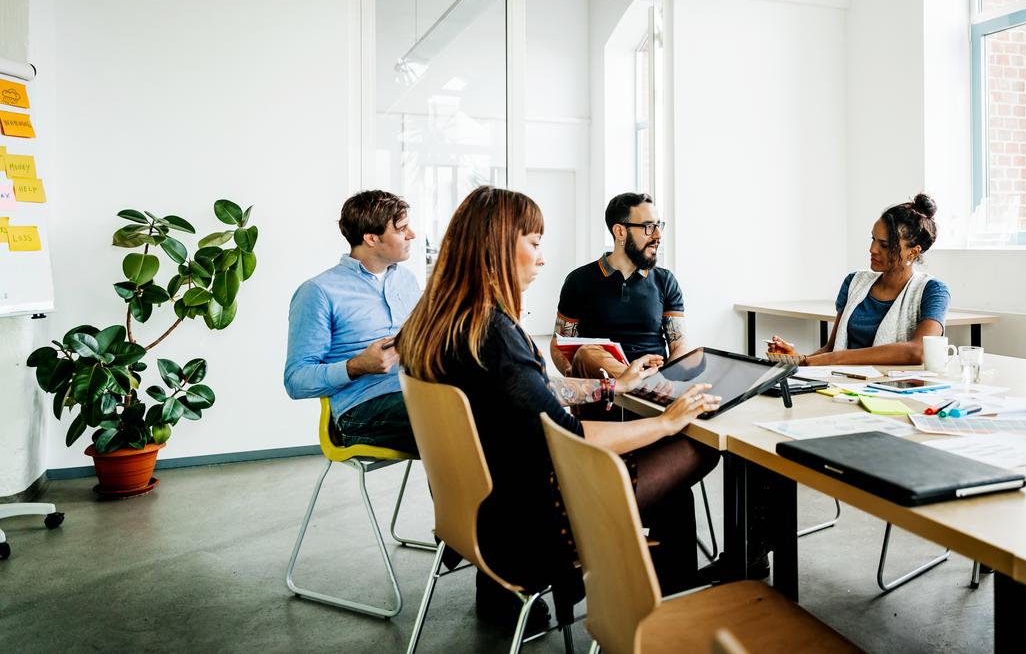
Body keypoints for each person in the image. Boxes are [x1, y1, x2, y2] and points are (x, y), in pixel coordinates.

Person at [395, 186, 721, 629]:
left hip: (479, 507)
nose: (542, 258)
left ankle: (663, 580)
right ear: (496, 247)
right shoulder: (492, 333)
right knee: (697, 446)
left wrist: (610, 390)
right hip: (532, 523)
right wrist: (667, 422)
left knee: (658, 445)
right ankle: (668, 598)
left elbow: (535, 390)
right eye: (534, 243)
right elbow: (568, 432)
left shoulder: (436, 325)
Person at [284, 190, 422, 452]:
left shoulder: (407, 280)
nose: (412, 235)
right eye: (402, 228)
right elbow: (295, 380)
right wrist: (357, 365)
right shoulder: (318, 291)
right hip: (361, 412)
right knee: (463, 421)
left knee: (497, 403)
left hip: (418, 392)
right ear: (371, 237)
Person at [550, 192, 690, 417]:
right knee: (587, 354)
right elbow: (559, 343)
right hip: (602, 390)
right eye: (648, 227)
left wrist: (665, 379)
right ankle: (640, 387)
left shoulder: (665, 281)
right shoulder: (579, 280)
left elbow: (679, 344)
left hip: (656, 384)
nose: (658, 234)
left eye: (658, 225)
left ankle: (643, 388)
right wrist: (575, 374)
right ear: (620, 231)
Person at [769, 194, 951, 366]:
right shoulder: (854, 282)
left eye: (885, 245)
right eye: (873, 239)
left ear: (913, 252)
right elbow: (831, 349)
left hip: (890, 391)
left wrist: (836, 358)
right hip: (841, 387)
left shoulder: (933, 291)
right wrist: (799, 359)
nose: (873, 249)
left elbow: (918, 351)